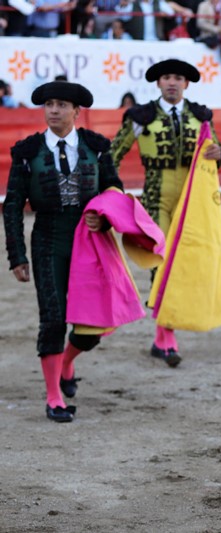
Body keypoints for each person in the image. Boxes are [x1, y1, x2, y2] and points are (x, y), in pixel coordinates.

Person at [3, 81, 124, 423]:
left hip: (90, 240)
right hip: (48, 239)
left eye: (61, 105)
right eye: (49, 104)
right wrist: (17, 255)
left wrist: (104, 217)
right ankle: (54, 395)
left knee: (91, 323)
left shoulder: (96, 147)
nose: (53, 110)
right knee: (53, 317)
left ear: (76, 111)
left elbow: (114, 187)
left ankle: (67, 362)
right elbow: (12, 206)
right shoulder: (27, 152)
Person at [110, 59, 221, 367]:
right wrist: (109, 192)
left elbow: (217, 150)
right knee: (163, 264)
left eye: (177, 78)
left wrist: (219, 153)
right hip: (155, 201)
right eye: (166, 78)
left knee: (184, 263)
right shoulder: (140, 116)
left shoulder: (201, 115)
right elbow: (113, 155)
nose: (172, 82)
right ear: (158, 83)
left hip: (191, 202)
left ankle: (165, 334)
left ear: (186, 84)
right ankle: (165, 338)